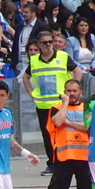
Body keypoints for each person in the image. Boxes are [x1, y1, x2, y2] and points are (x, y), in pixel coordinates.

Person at [45, 78, 92, 189]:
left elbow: (88, 127)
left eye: (74, 91)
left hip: (84, 157)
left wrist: (69, 122)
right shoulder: (56, 108)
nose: (71, 94)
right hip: (63, 157)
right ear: (64, 92)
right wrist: (65, 104)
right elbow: (58, 122)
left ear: (80, 92)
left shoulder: (87, 108)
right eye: (68, 91)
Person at [23, 30, 72, 177]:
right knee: (47, 136)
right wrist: (32, 94)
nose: (49, 45)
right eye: (45, 42)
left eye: (50, 41)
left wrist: (70, 92)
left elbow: (77, 72)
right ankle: (52, 163)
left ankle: (64, 163)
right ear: (39, 44)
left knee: (63, 134)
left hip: (59, 104)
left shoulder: (63, 57)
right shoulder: (34, 60)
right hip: (43, 105)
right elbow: (26, 78)